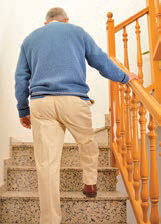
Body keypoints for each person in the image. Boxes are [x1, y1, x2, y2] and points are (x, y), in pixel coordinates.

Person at [15, 7, 138, 224]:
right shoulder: (77, 32)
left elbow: (21, 78)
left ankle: (50, 220)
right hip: (73, 99)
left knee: (47, 163)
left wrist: (23, 110)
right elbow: (101, 61)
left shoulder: (30, 39)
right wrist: (124, 77)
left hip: (41, 104)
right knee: (88, 142)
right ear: (66, 20)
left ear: (46, 23)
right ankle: (90, 183)